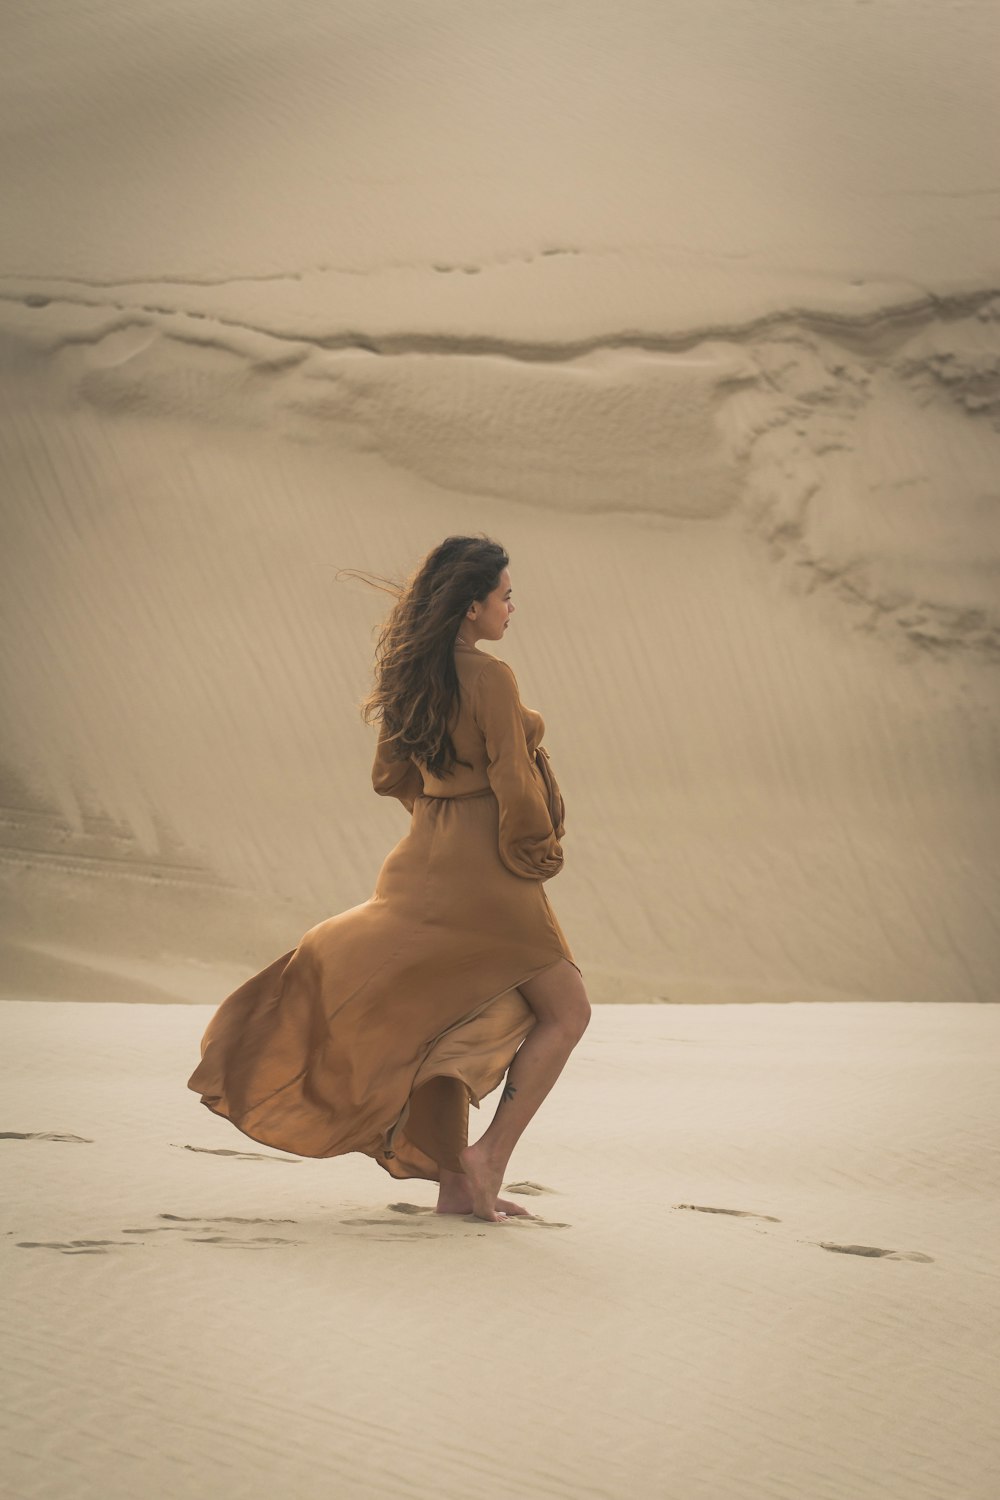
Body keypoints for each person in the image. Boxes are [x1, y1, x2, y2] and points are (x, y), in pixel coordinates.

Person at [187, 535, 590, 1223]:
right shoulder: (492, 677)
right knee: (567, 1011)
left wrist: (438, 813)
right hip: (490, 871)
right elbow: (512, 779)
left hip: (420, 859)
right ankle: (485, 1161)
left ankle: (459, 1189)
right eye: (505, 596)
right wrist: (535, 850)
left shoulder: (413, 677)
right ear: (472, 606)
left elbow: (388, 777)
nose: (511, 608)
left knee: (450, 1017)